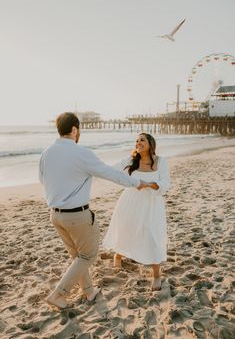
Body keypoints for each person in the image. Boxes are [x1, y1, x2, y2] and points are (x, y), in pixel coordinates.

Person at [39, 112, 150, 309]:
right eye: (78, 129)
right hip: (77, 215)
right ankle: (58, 294)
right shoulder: (81, 153)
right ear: (74, 129)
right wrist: (136, 182)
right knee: (88, 255)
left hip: (55, 215)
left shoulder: (46, 154)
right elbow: (110, 173)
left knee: (77, 256)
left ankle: (89, 292)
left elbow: (43, 181)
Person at [103, 133, 171, 290]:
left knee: (152, 235)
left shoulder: (160, 161)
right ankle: (118, 255)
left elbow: (166, 183)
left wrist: (147, 184)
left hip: (151, 203)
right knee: (126, 228)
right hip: (130, 200)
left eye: (142, 140)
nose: (138, 142)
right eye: (136, 140)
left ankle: (156, 275)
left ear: (150, 143)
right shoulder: (130, 160)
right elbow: (110, 171)